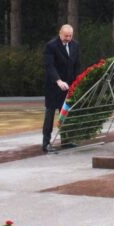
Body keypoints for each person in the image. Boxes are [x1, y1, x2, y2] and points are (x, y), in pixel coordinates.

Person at [43, 24, 81, 153]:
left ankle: (66, 140)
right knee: (50, 115)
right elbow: (49, 66)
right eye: (66, 36)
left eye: (70, 36)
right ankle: (46, 143)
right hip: (54, 87)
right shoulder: (51, 46)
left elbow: (77, 65)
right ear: (60, 33)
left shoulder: (75, 45)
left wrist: (77, 82)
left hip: (69, 87)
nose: (68, 38)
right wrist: (58, 81)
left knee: (66, 114)